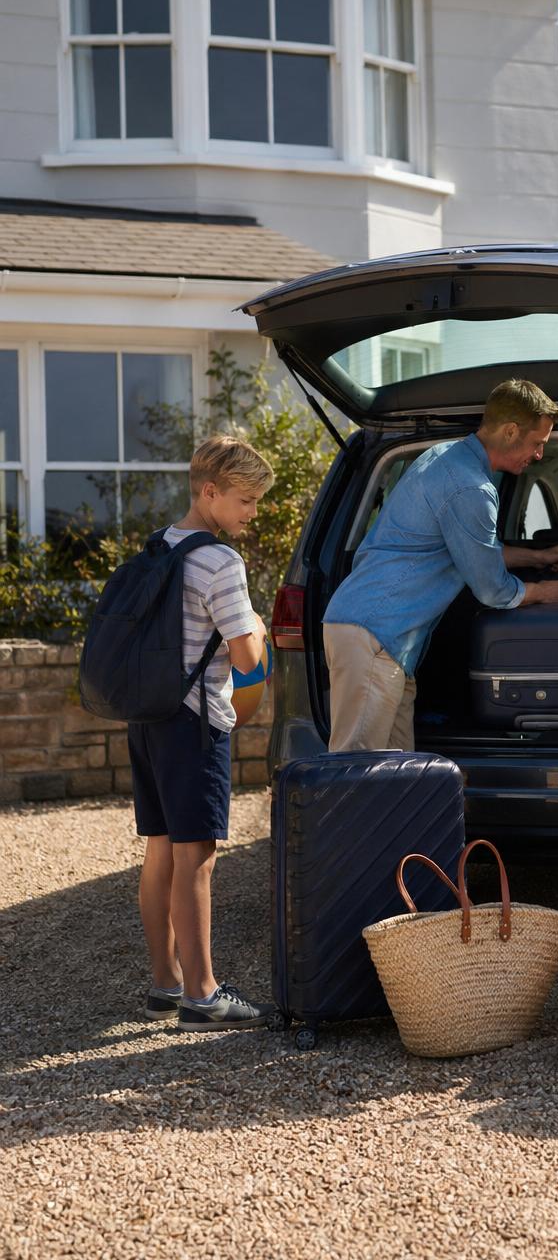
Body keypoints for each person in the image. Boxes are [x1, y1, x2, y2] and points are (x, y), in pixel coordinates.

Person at [322, 379, 558, 752]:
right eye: (538, 443)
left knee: (395, 774)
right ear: (510, 431)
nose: (538, 455)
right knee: (355, 774)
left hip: (384, 639)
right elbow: (491, 588)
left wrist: (537, 557)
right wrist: (541, 592)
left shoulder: (444, 458)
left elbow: (473, 550)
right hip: (375, 635)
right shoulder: (471, 487)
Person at [131, 435, 276, 1031]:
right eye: (243, 499)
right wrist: (261, 628)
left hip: (151, 716)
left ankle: (165, 984)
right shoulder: (220, 561)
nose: (251, 512)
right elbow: (246, 661)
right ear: (210, 491)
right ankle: (203, 995)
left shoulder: (158, 547)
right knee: (198, 857)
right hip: (196, 723)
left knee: (161, 848)